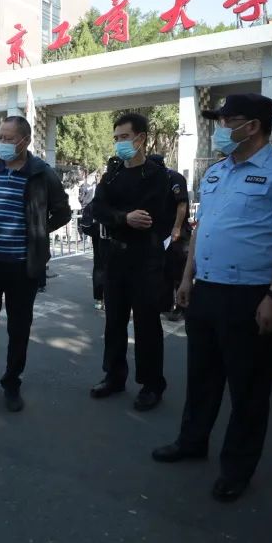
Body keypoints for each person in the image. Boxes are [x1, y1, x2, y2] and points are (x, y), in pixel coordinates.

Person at [152, 93, 272, 503]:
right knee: (201, 377)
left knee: (248, 389)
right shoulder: (216, 173)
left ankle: (237, 468)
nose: (220, 129)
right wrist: (187, 278)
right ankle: (192, 441)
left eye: (226, 122)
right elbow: (202, 229)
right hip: (207, 291)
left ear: (252, 126)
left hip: (252, 295)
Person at [0, 116, 71, 412]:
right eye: (0, 137)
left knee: (19, 327)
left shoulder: (41, 173)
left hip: (23, 265)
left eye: (8, 138)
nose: (2, 143)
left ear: (25, 141)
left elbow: (63, 212)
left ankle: (11, 381)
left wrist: (38, 231)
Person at [89, 113, 171, 412]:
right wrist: (124, 217)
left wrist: (118, 216)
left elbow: (149, 217)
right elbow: (97, 208)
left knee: (147, 324)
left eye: (124, 137)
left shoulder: (157, 175)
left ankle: (151, 384)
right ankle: (114, 375)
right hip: (115, 257)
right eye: (116, 138)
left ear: (141, 138)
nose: (119, 143)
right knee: (114, 321)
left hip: (146, 259)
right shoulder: (112, 174)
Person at [158, 160, 191, 322]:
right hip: (163, 233)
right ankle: (166, 305)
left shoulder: (175, 178)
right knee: (165, 270)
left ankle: (182, 307)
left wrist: (177, 227)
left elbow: (181, 204)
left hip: (178, 232)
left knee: (179, 270)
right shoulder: (156, 179)